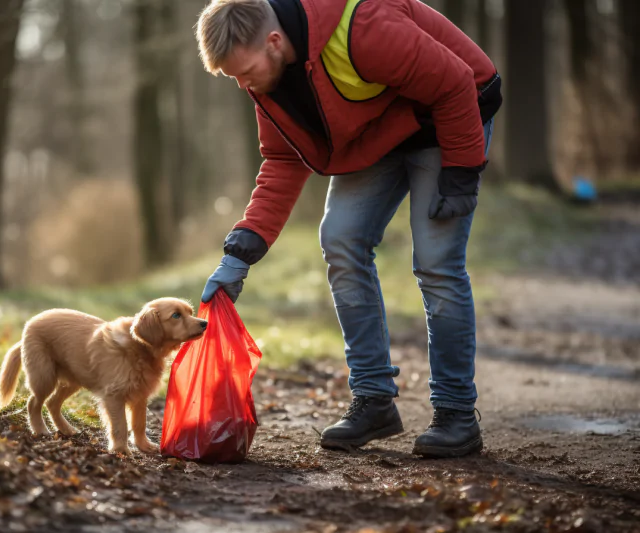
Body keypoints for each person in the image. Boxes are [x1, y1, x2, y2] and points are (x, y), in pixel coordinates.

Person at [196, 0, 502, 458]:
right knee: (340, 238)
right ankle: (374, 399)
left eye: (244, 71)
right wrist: (238, 255)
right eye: (235, 77)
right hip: (381, 128)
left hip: (450, 116)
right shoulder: (268, 78)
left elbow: (456, 82)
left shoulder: (362, 29)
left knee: (436, 263)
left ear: (274, 41)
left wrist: (460, 171)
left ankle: (456, 414)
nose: (243, 84)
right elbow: (282, 159)